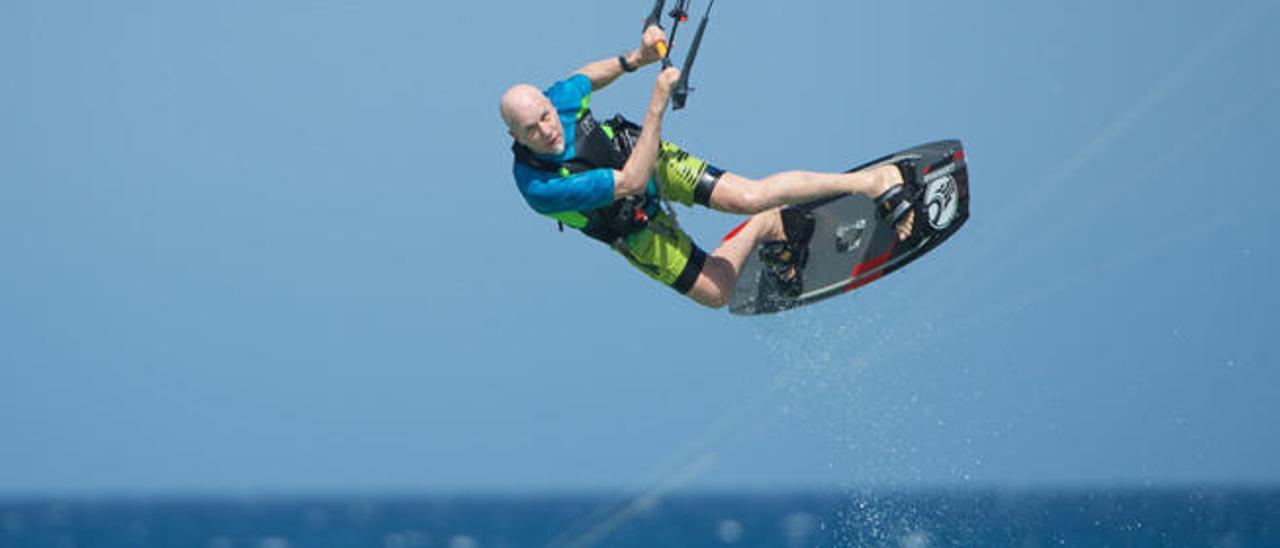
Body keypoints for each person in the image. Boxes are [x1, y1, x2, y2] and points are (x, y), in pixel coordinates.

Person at [500, 24, 914, 309]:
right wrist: (657, 104)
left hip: (647, 157)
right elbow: (630, 181)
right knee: (717, 293)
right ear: (516, 138)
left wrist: (635, 58)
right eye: (531, 129)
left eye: (546, 116)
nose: (546, 129)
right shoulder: (540, 188)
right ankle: (767, 226)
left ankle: (873, 181)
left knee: (748, 196)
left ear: (550, 104)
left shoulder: (559, 99)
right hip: (634, 223)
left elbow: (583, 77)